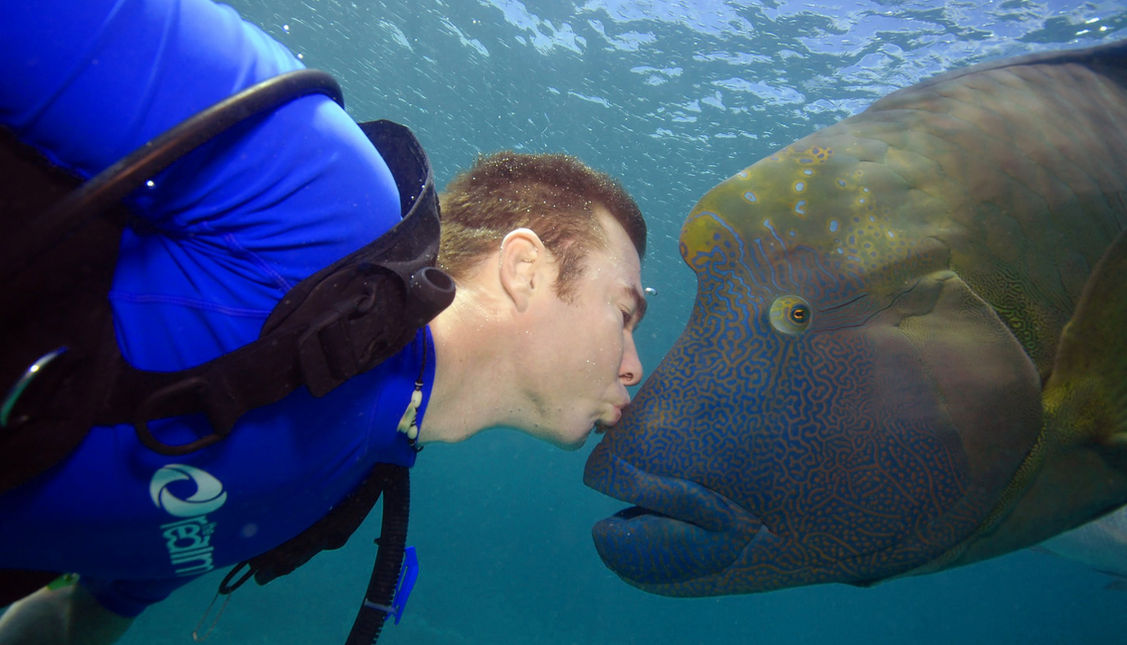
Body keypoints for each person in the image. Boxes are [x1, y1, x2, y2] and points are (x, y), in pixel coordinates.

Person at [0, 0, 647, 643]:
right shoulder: (329, 199)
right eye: (623, 312)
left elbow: (75, 617)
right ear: (525, 269)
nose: (633, 366)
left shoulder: (335, 488)